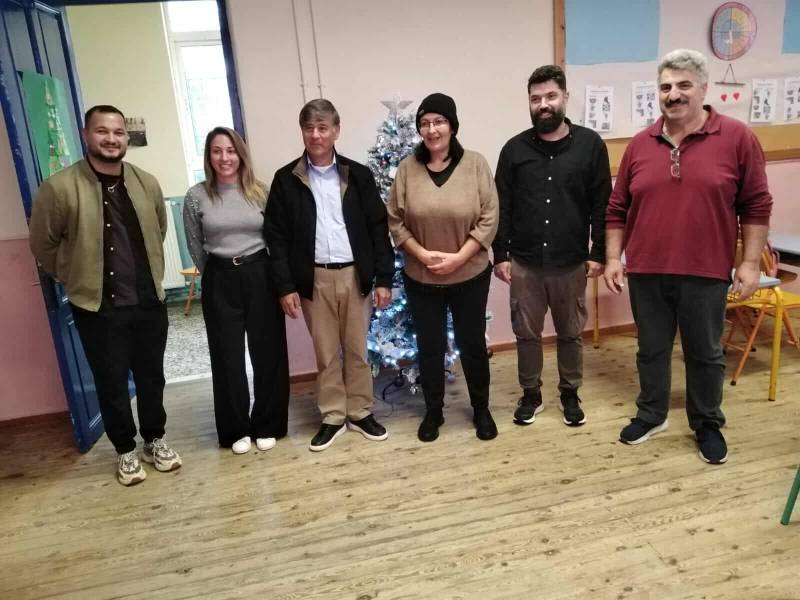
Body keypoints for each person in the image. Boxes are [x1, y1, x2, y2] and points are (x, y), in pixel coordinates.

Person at [604, 49, 772, 464]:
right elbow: (617, 208)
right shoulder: (640, 144)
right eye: (665, 87)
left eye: (683, 85)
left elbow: (756, 205)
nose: (673, 94)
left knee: (705, 354)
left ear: (703, 88)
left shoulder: (737, 138)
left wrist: (750, 262)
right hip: (646, 270)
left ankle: (707, 423)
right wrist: (613, 258)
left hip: (706, 271)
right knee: (651, 350)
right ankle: (652, 414)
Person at [29, 105, 182, 486]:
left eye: (117, 132)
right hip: (98, 308)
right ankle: (125, 450)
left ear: (125, 138)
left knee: (152, 379)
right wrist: (74, 276)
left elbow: (159, 229)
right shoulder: (60, 188)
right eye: (102, 131)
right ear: (86, 135)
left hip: (148, 302)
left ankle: (154, 440)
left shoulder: (145, 182)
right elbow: (43, 244)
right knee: (111, 382)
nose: (111, 139)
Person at [264, 99, 394, 452]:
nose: (316, 135)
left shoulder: (358, 175)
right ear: (302, 132)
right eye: (309, 128)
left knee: (357, 351)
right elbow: (276, 237)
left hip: (354, 276)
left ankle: (361, 412)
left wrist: (384, 279)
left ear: (336, 131)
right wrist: (285, 286)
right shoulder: (286, 180)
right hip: (314, 279)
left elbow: (378, 228)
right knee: (325, 353)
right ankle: (333, 416)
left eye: (323, 128)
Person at [493, 65, 611, 428]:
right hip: (524, 262)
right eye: (535, 98)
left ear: (565, 98)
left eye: (550, 96)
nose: (543, 104)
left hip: (571, 262)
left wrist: (598, 252)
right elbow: (502, 206)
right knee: (526, 334)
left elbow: (601, 203)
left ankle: (569, 393)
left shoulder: (590, 146)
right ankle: (531, 394)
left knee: (570, 333)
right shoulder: (514, 150)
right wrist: (500, 255)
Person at [387, 93, 499, 442]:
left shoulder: (476, 165)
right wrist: (421, 254)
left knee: (472, 345)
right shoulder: (407, 169)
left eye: (439, 121)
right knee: (430, 347)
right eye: (425, 123)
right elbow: (395, 221)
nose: (432, 129)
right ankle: (433, 411)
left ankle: (481, 408)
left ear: (452, 126)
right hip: (422, 277)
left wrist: (459, 257)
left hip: (469, 275)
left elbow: (489, 217)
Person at [183, 127, 289, 455]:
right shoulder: (196, 196)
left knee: (268, 353)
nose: (224, 158)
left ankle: (268, 424)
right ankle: (235, 429)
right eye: (217, 151)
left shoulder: (261, 191)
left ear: (240, 155)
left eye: (230, 151)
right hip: (220, 278)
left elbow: (276, 237)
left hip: (260, 274)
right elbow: (195, 244)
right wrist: (217, 271)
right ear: (208, 156)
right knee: (226, 356)